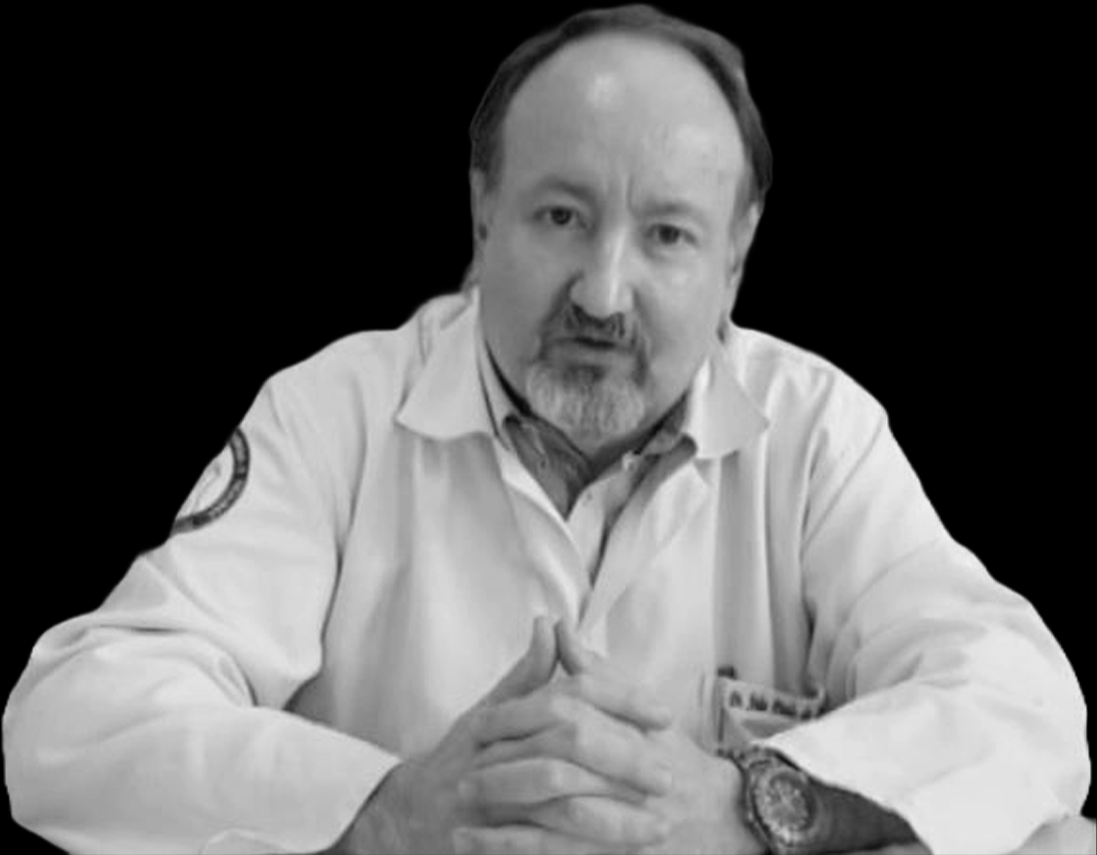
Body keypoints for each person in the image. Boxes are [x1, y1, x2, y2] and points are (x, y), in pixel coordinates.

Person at [4, 5, 1092, 854]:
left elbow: (1022, 700)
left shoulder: (817, 433)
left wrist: (748, 803)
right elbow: (76, 719)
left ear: (734, 258)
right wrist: (386, 808)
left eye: (666, 235)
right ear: (483, 214)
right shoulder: (332, 411)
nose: (602, 295)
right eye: (561, 216)